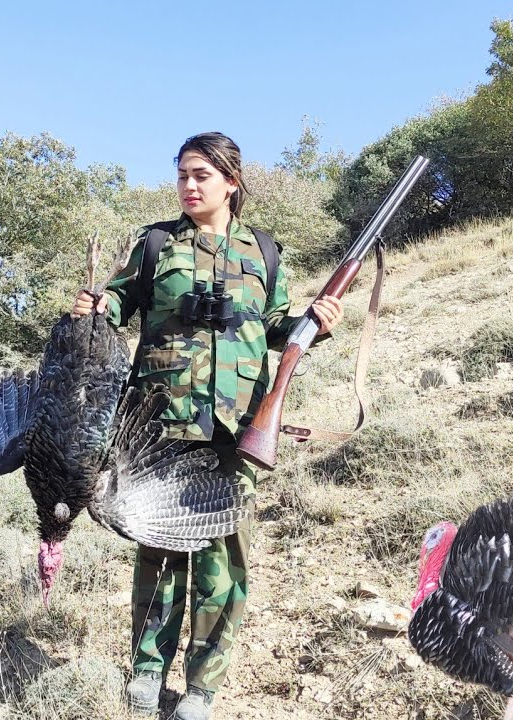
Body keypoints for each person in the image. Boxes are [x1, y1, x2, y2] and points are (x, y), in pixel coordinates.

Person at [70, 132, 344, 719]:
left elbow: (275, 327)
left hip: (237, 426)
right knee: (159, 547)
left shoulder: (265, 251)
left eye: (202, 175)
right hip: (157, 426)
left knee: (223, 560)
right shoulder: (155, 244)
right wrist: (96, 307)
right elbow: (118, 303)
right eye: (183, 175)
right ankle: (147, 672)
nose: (190, 186)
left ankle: (202, 688)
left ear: (231, 182)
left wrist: (313, 322)